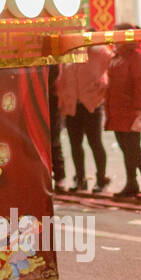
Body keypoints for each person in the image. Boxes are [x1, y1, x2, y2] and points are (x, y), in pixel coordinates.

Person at [105, 24, 141, 200]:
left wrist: (140, 111)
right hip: (116, 110)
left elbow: (140, 85)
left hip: (130, 111)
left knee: (134, 149)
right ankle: (131, 184)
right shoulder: (117, 55)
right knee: (126, 149)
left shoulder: (136, 56)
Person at [57, 44, 112, 193]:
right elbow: (62, 81)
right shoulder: (70, 55)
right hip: (72, 107)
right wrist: (63, 103)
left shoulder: (100, 53)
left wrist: (98, 98)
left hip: (91, 106)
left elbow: (108, 78)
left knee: (95, 143)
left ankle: (101, 179)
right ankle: (80, 178)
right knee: (75, 145)